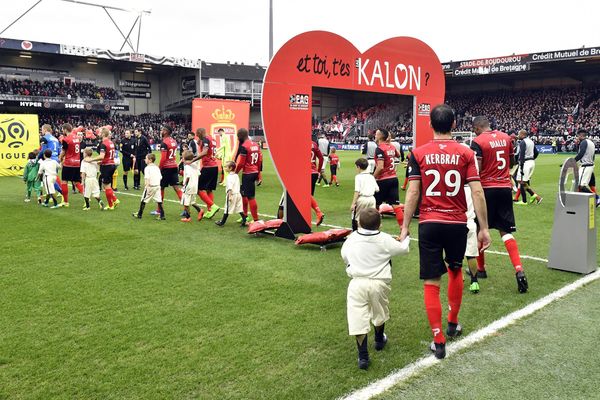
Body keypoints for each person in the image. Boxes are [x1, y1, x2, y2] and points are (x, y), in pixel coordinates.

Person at [401, 104, 491, 359]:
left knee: (432, 281)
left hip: (429, 223)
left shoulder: (418, 153)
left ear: (430, 124)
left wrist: (406, 225)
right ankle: (452, 322)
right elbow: (477, 191)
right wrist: (484, 228)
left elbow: (413, 191)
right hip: (456, 223)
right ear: (454, 125)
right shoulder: (465, 153)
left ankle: (438, 339)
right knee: (455, 270)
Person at [341, 208, 410, 370]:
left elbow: (344, 256)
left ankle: (363, 356)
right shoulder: (384, 239)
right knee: (380, 311)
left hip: (357, 282)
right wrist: (405, 237)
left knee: (357, 316)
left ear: (359, 223)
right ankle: (379, 340)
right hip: (379, 282)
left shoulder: (351, 239)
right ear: (380, 224)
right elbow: (403, 249)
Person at [471, 116, 529, 293]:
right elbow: (511, 162)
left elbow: (477, 168)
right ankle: (519, 270)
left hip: (487, 189)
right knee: (506, 232)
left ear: (477, 127)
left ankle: (480, 269)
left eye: (474, 129)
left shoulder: (478, 141)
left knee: (479, 228)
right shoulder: (506, 138)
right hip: (505, 188)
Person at [373, 128, 404, 230]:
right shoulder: (391, 147)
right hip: (394, 178)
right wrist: (390, 143)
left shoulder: (379, 149)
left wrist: (373, 177)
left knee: (375, 205)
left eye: (377, 134)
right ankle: (403, 229)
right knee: (396, 206)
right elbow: (398, 155)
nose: (375, 135)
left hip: (383, 180)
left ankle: (375, 228)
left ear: (381, 136)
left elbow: (380, 167)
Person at [85, 127, 119, 210]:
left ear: (103, 134)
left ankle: (112, 203)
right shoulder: (111, 142)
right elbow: (107, 156)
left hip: (107, 166)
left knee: (106, 186)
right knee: (107, 185)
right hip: (112, 164)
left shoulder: (104, 143)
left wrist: (91, 159)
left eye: (100, 133)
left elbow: (101, 156)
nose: (99, 134)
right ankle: (114, 200)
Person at [191, 127, 220, 220]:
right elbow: (201, 143)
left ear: (200, 133)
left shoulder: (206, 139)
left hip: (208, 167)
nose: (196, 136)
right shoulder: (212, 138)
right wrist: (200, 138)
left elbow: (205, 152)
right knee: (209, 189)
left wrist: (193, 160)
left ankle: (213, 206)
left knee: (198, 189)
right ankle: (210, 210)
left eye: (197, 134)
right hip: (215, 166)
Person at [235, 128, 262, 224]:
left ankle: (256, 221)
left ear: (241, 136)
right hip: (254, 172)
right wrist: (259, 174)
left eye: (238, 136)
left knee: (251, 197)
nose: (238, 138)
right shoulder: (255, 144)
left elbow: (241, 163)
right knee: (243, 194)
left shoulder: (244, 146)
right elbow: (259, 161)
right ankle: (245, 216)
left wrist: (235, 172)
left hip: (248, 173)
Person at [153, 125, 182, 214]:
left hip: (166, 168)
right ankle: (186, 209)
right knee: (176, 188)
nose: (161, 131)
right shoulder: (174, 141)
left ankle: (159, 210)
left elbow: (163, 158)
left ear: (165, 132)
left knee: (161, 188)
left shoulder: (164, 143)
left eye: (162, 130)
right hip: (174, 166)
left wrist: (159, 168)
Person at [58, 123, 85, 207]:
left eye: (63, 129)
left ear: (65, 129)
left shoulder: (66, 139)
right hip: (77, 163)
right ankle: (86, 197)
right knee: (77, 182)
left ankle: (65, 202)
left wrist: (60, 158)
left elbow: (63, 152)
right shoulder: (77, 138)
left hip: (69, 163)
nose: (62, 131)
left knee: (64, 181)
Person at [132, 153, 165, 220]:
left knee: (143, 200)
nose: (145, 160)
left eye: (146, 158)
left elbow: (147, 178)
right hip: (157, 186)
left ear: (150, 160)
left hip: (150, 186)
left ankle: (139, 214)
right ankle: (162, 215)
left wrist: (146, 186)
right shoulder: (157, 167)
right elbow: (160, 177)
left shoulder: (147, 168)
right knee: (159, 200)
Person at [514, 129, 542, 205]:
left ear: (523, 134)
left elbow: (522, 155)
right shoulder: (531, 141)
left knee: (521, 181)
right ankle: (535, 196)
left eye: (519, 134)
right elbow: (536, 152)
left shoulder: (523, 142)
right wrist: (532, 159)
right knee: (522, 182)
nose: (518, 135)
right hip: (531, 162)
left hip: (525, 163)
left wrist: (522, 166)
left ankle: (524, 201)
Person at [350, 158, 379, 231]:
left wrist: (353, 203)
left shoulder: (358, 177)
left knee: (359, 218)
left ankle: (360, 234)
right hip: (372, 199)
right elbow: (377, 189)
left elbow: (357, 191)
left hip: (362, 199)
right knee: (371, 218)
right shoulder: (371, 176)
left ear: (358, 167)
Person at [215, 161, 246, 226]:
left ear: (230, 168)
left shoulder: (229, 177)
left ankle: (222, 222)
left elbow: (230, 188)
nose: (224, 168)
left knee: (227, 208)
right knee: (239, 208)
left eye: (226, 167)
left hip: (232, 194)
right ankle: (244, 220)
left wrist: (230, 196)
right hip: (238, 194)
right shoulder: (236, 175)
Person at [574, 129, 599, 206]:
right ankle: (586, 200)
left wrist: (573, 161)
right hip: (590, 165)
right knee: (591, 185)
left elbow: (581, 153)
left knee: (580, 186)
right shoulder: (591, 142)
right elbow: (593, 156)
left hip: (585, 166)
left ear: (581, 135)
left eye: (578, 136)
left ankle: (597, 198)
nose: (577, 137)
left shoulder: (584, 142)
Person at [180, 150, 202, 223]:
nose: (181, 158)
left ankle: (188, 217)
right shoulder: (195, 166)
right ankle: (200, 210)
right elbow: (198, 174)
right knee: (192, 201)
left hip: (188, 186)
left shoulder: (187, 166)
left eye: (182, 157)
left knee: (185, 202)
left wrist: (184, 184)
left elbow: (188, 176)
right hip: (195, 186)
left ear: (185, 158)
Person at [310, 137, 326, 226]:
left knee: (305, 196)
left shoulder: (299, 143)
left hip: (305, 173)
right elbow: (321, 158)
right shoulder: (314, 144)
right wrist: (319, 170)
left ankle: (318, 212)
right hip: (314, 173)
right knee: (309, 196)